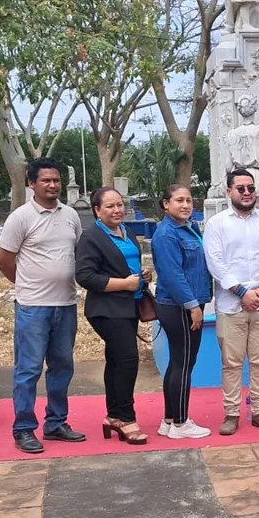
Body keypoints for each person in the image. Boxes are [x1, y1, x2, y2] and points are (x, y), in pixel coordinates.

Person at [0, 157, 86, 454]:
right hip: (33, 306)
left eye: (56, 180)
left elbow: (76, 253)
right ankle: (23, 428)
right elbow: (3, 260)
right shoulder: (20, 217)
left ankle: (56, 423)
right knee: (29, 369)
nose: (52, 185)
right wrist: (24, 286)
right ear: (31, 184)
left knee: (62, 367)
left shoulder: (71, 215)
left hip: (66, 304)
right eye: (46, 180)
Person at [203, 169, 259, 435]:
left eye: (251, 188)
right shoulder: (217, 223)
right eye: (241, 188)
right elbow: (215, 262)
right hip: (231, 305)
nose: (248, 193)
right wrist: (242, 292)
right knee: (232, 363)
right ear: (229, 191)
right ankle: (232, 413)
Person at [76, 187, 151, 445]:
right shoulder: (92, 237)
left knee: (117, 360)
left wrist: (141, 277)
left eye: (120, 204)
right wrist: (124, 284)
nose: (117, 210)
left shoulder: (126, 232)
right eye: (110, 206)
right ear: (97, 210)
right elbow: (85, 276)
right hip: (107, 310)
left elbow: (126, 264)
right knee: (128, 360)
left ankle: (113, 416)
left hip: (129, 306)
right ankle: (127, 418)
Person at [150, 185, 212, 439]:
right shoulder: (166, 235)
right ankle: (181, 422)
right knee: (184, 363)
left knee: (179, 362)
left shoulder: (189, 228)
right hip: (178, 306)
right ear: (166, 204)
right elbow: (173, 275)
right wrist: (192, 306)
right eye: (179, 200)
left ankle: (168, 419)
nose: (186, 205)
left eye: (188, 200)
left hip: (188, 303)